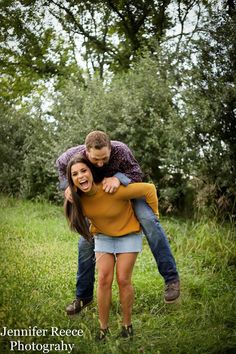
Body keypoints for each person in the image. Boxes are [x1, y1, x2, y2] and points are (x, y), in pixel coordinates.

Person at [56, 131, 180, 315]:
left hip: (124, 192)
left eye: (104, 158)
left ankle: (172, 280)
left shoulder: (121, 150)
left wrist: (118, 178)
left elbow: (136, 173)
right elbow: (61, 166)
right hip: (97, 198)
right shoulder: (73, 156)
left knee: (149, 221)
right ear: (86, 151)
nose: (100, 163)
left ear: (110, 149)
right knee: (86, 241)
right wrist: (67, 186)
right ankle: (84, 296)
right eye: (95, 159)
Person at [64, 154, 159, 339]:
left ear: (92, 172)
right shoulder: (78, 198)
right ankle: (103, 329)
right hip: (103, 237)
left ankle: (127, 326)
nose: (81, 176)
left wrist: (153, 218)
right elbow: (81, 219)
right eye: (75, 174)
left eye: (84, 170)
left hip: (128, 235)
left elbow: (149, 189)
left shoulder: (111, 189)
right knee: (104, 280)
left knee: (123, 279)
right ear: (72, 180)